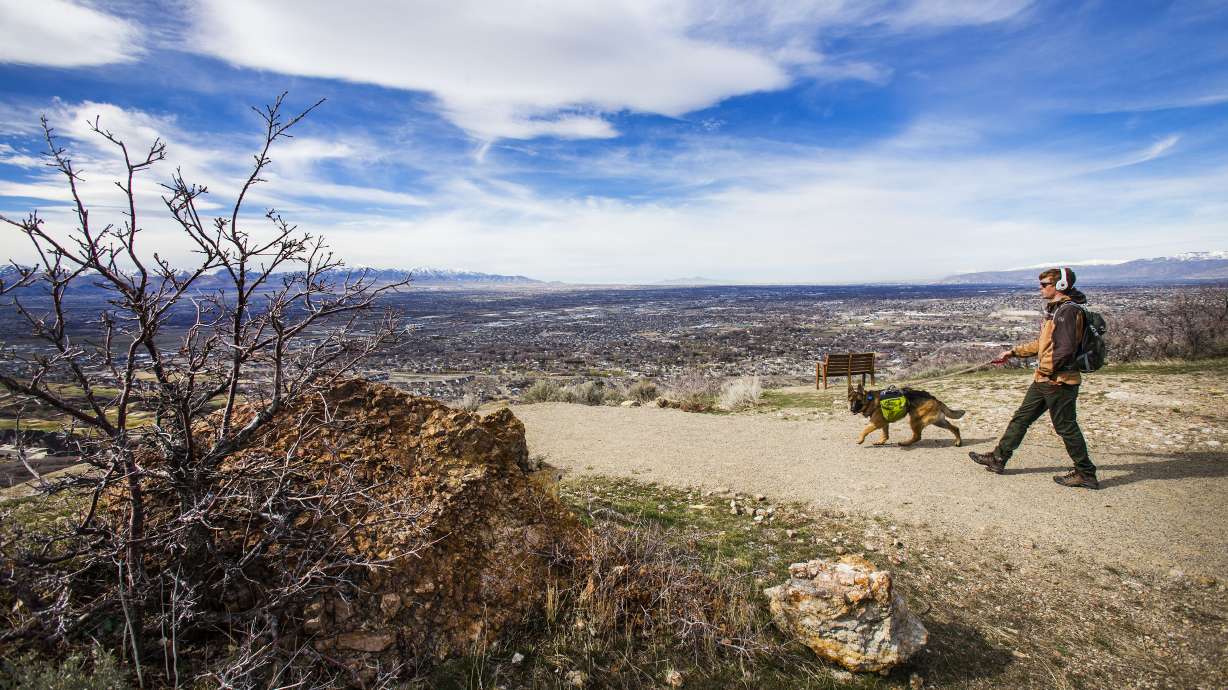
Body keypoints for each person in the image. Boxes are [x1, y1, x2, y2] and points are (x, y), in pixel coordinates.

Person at [968, 267, 1098, 489]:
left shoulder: (1067, 312)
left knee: (1066, 427)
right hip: (1044, 380)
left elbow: (1064, 350)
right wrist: (1014, 352)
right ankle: (998, 458)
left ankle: (1086, 473)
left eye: (1045, 284)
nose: (1040, 288)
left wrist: (1049, 372)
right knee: (1021, 418)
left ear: (1060, 286)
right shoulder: (1056, 311)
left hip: (1058, 381)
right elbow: (1044, 344)